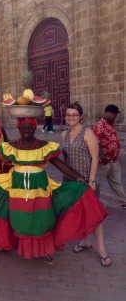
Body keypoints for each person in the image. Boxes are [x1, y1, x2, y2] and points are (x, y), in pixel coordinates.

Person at [0, 117, 108, 265]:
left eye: (30, 127)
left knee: (42, 218)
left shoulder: (44, 145)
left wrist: (77, 177)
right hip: (17, 186)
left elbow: (59, 163)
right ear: (19, 129)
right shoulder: (12, 146)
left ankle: (45, 250)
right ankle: (23, 247)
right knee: (21, 218)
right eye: (23, 127)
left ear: (34, 129)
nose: (26, 130)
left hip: (39, 187)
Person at [61, 102, 111, 267]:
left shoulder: (87, 133)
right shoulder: (64, 135)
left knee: (94, 215)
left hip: (87, 180)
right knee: (80, 212)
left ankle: (102, 250)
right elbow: (65, 159)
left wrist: (91, 181)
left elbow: (94, 159)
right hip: (71, 180)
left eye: (74, 115)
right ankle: (85, 241)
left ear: (81, 116)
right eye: (68, 115)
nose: (71, 117)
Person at [93, 104, 126, 210]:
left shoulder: (112, 123)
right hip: (103, 161)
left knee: (116, 181)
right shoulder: (99, 126)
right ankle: (95, 202)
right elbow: (95, 142)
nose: (114, 116)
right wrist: (102, 156)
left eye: (115, 114)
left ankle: (124, 201)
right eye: (112, 113)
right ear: (106, 113)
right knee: (97, 183)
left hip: (114, 160)